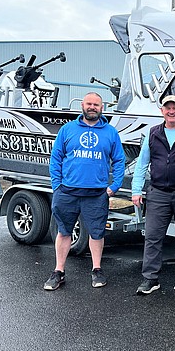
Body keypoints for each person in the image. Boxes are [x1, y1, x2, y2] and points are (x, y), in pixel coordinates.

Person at [44, 92, 125, 290]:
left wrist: (114, 186)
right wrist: (57, 185)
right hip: (68, 192)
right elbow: (55, 158)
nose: (92, 107)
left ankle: (97, 270)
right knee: (64, 231)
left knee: (97, 233)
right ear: (82, 105)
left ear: (102, 108)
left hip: (97, 194)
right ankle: (59, 271)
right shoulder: (68, 129)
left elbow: (119, 160)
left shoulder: (110, 132)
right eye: (89, 103)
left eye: (96, 104)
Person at [132, 95, 175, 295]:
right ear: (162, 111)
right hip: (158, 193)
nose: (171, 111)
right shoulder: (153, 133)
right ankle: (150, 279)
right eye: (167, 108)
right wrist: (137, 190)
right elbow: (142, 163)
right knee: (153, 236)